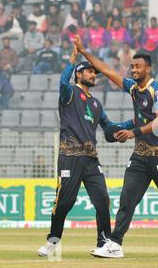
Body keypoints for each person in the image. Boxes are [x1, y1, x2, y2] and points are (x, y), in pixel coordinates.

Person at [75, 36, 158, 259]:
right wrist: (84, 52)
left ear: (148, 68)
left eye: (137, 66)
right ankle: (115, 244)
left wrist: (133, 132)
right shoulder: (133, 89)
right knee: (127, 198)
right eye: (131, 66)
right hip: (140, 156)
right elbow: (107, 70)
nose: (133, 70)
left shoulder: (157, 90)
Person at [37, 44, 133, 257]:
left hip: (91, 159)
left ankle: (105, 243)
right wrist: (72, 59)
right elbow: (63, 81)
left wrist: (132, 123)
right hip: (69, 157)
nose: (94, 75)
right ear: (79, 74)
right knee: (64, 202)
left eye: (95, 72)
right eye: (89, 71)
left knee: (102, 200)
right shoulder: (69, 93)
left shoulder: (96, 103)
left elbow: (109, 127)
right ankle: (53, 241)